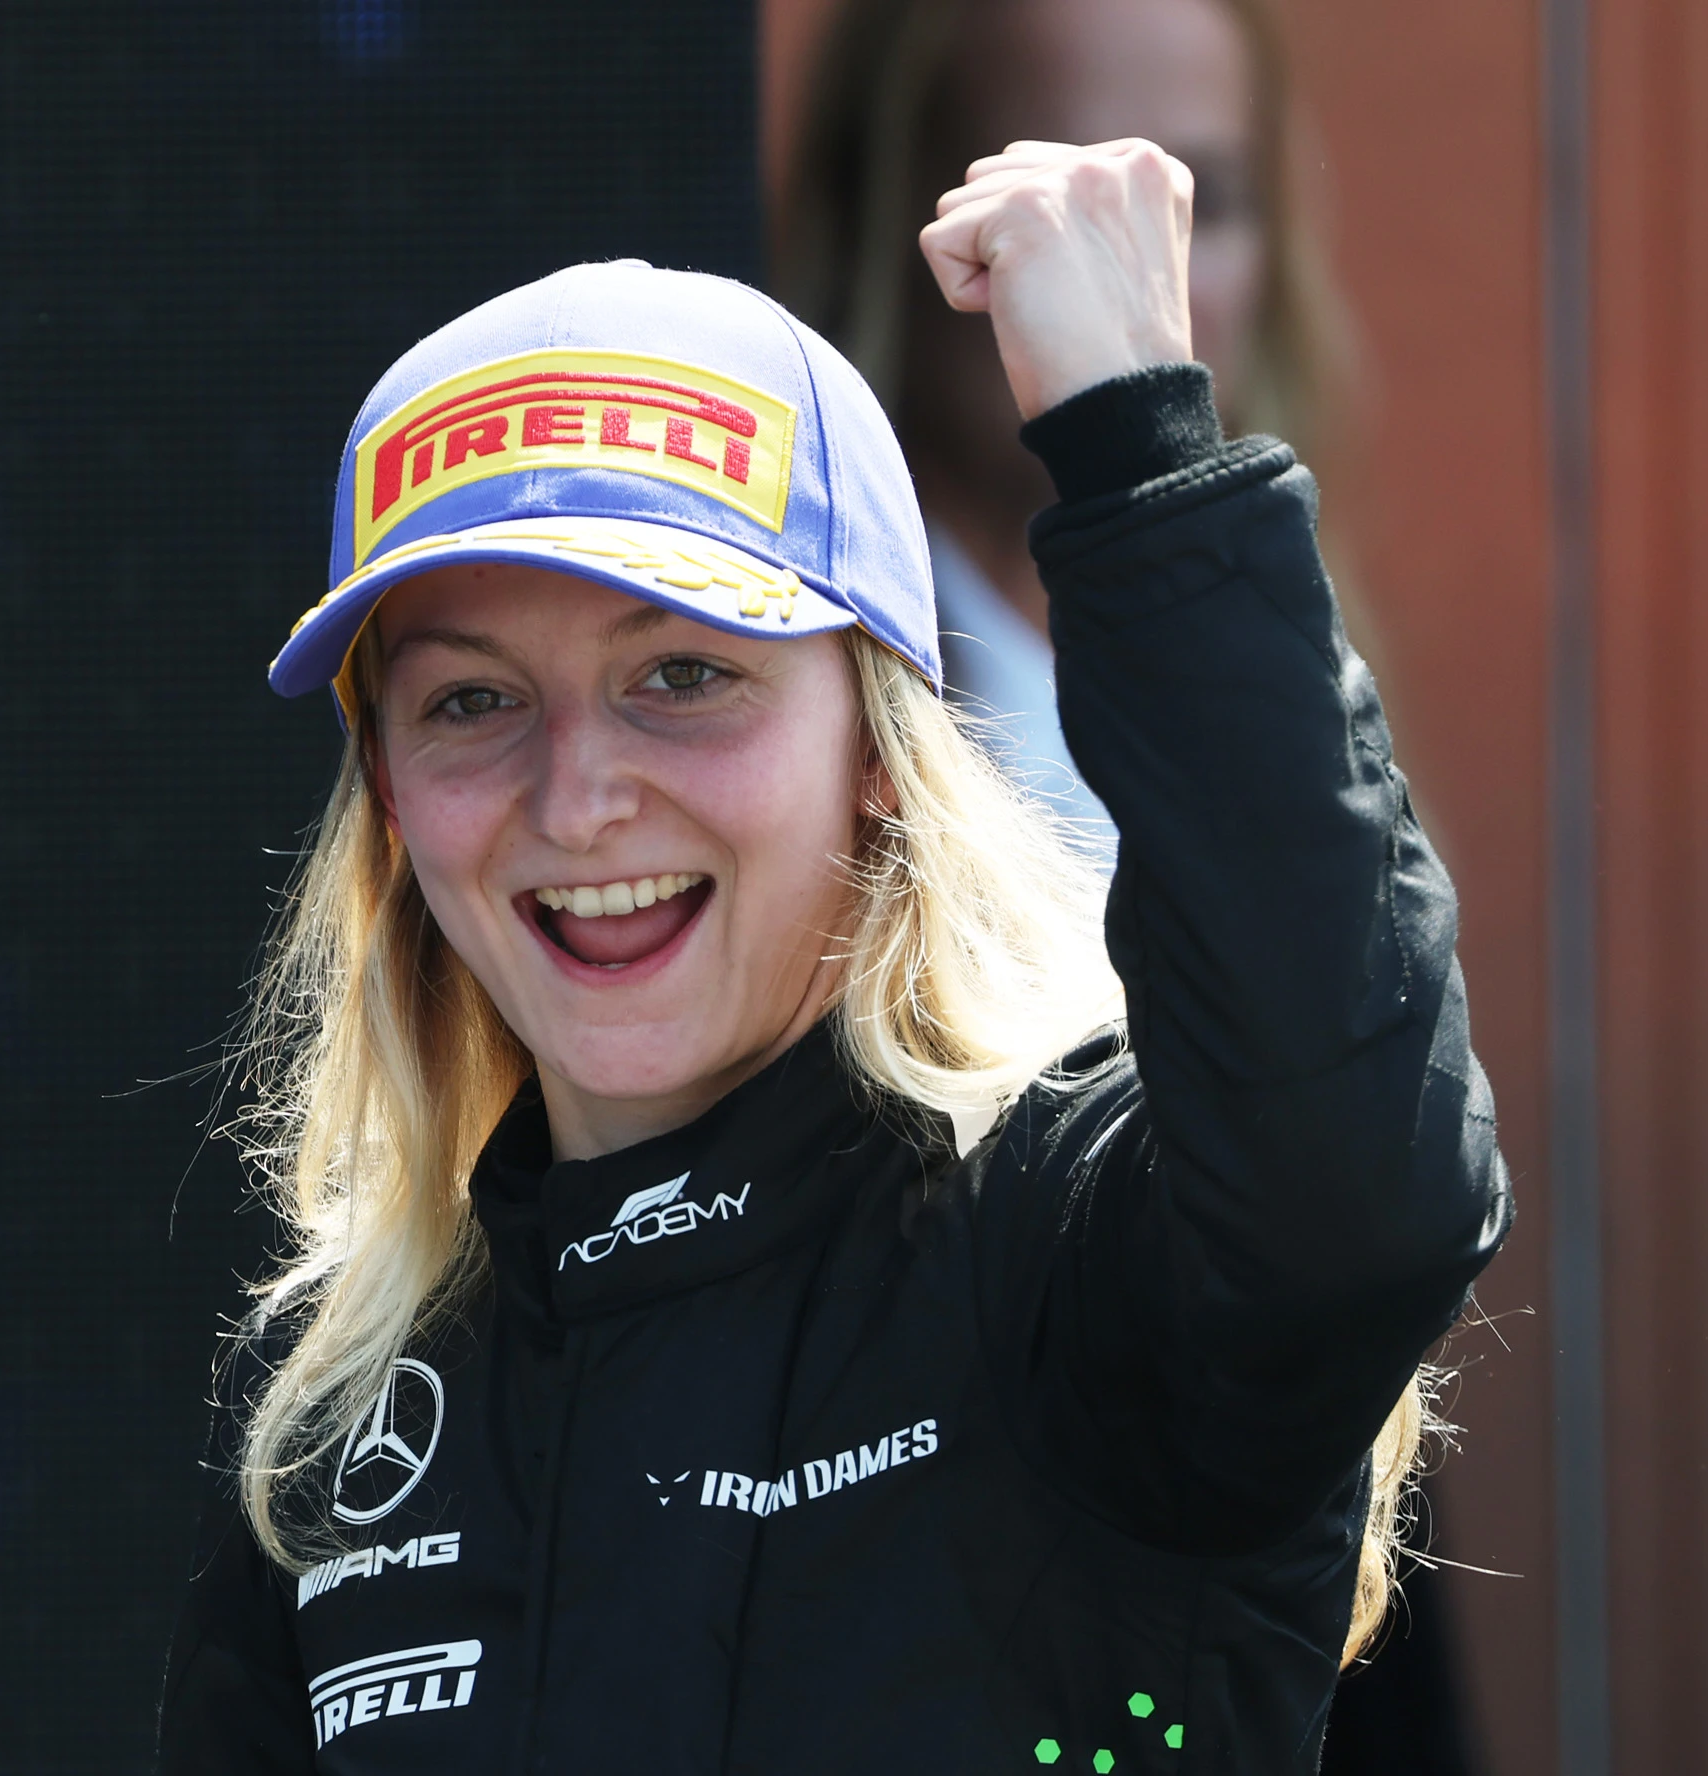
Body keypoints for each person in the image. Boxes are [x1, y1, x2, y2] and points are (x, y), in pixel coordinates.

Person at [157, 139, 1507, 1773]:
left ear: (876, 743)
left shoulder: (1065, 1257)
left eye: (682, 674)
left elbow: (1352, 1176)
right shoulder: (345, 1427)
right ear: (389, 799)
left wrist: (1144, 448)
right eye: (470, 699)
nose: (577, 798)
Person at [773, 0, 1356, 849]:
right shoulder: (783, 714)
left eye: (1201, 201)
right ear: (883, 228)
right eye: (1054, 200)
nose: (1138, 269)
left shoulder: (1299, 673)